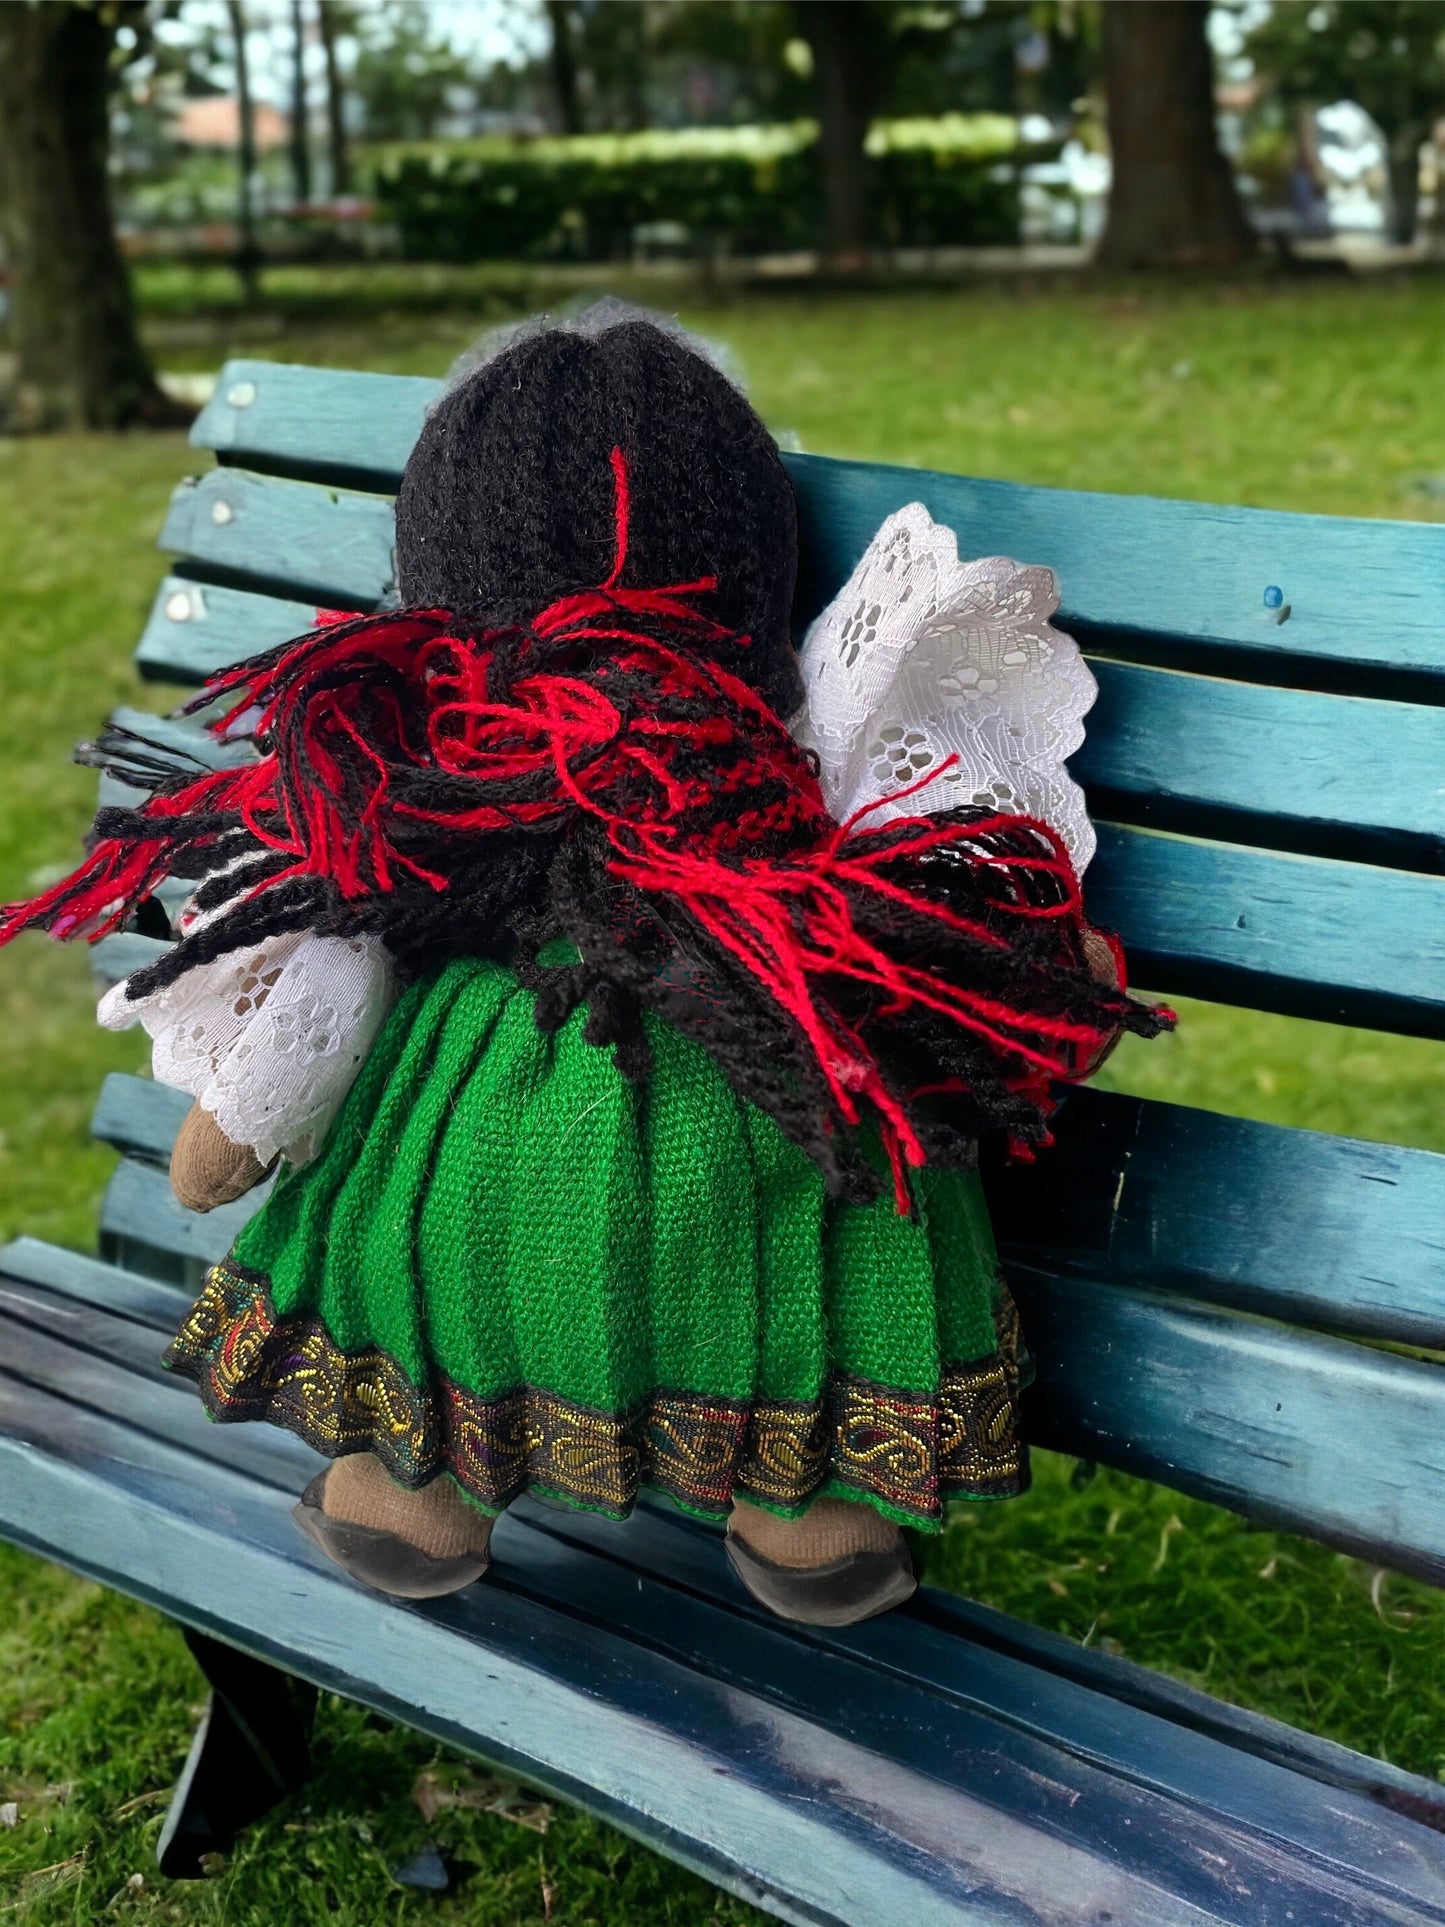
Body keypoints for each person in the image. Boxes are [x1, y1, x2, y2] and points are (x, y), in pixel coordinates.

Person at [1, 306, 1168, 1625]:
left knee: (424, 1245)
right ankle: (814, 1519)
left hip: (479, 1142)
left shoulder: (437, 806)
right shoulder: (792, 783)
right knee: (832, 1254)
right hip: (776, 1073)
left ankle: (415, 1495)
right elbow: (948, 923)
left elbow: (321, 985)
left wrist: (232, 1130)